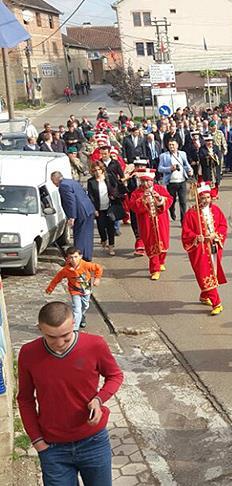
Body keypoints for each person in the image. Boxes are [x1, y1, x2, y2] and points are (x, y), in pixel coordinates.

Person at [17, 302, 124, 486]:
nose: (59, 344)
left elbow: (115, 375)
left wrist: (99, 400)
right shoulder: (28, 353)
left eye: (65, 337)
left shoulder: (95, 345)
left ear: (74, 323)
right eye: (51, 337)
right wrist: (37, 441)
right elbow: (25, 399)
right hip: (53, 449)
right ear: (39, 329)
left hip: (94, 442)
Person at [181, 183, 228, 316]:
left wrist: (216, 235)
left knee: (211, 272)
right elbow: (186, 232)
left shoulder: (216, 210)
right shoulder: (191, 213)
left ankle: (204, 295)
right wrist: (196, 237)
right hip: (199, 249)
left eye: (208, 197)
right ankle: (217, 303)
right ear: (198, 198)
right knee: (204, 273)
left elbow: (223, 225)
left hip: (213, 246)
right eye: (203, 198)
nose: (206, 200)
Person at [127, 169, 173, 280]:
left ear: (152, 181)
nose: (146, 184)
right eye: (143, 181)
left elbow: (169, 200)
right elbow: (133, 206)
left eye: (148, 181)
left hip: (161, 221)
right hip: (147, 223)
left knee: (164, 243)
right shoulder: (136, 193)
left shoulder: (159, 189)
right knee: (151, 245)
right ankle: (154, 269)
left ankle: (161, 261)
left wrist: (160, 199)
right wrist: (143, 200)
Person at [44, 247, 103, 331]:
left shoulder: (86, 265)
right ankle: (75, 328)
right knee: (77, 309)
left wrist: (97, 278)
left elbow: (98, 268)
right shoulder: (66, 270)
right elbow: (57, 279)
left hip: (86, 288)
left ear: (80, 256)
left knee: (85, 306)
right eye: (71, 257)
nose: (74, 260)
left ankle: (81, 316)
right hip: (74, 290)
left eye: (75, 257)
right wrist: (50, 288)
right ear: (67, 258)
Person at [52, 171, 96, 262]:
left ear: (56, 179)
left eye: (53, 181)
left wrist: (72, 217)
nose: (53, 183)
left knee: (79, 235)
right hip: (88, 209)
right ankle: (87, 256)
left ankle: (76, 259)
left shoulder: (63, 186)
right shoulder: (72, 182)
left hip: (80, 212)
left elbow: (70, 201)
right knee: (87, 235)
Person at [86, 161, 126, 255]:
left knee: (110, 227)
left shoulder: (109, 177)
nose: (97, 172)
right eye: (95, 170)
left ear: (102, 169)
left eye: (99, 169)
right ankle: (103, 239)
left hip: (110, 206)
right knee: (101, 226)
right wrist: (94, 209)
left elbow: (116, 187)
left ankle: (111, 247)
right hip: (99, 208)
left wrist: (114, 195)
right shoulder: (91, 181)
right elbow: (90, 196)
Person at [157, 139, 194, 223]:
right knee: (172, 201)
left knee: (183, 201)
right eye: (170, 145)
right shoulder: (164, 156)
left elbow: (186, 164)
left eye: (173, 145)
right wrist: (170, 169)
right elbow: (160, 169)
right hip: (171, 182)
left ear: (177, 145)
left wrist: (190, 170)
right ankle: (172, 211)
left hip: (182, 181)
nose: (171, 146)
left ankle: (183, 220)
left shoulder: (182, 154)